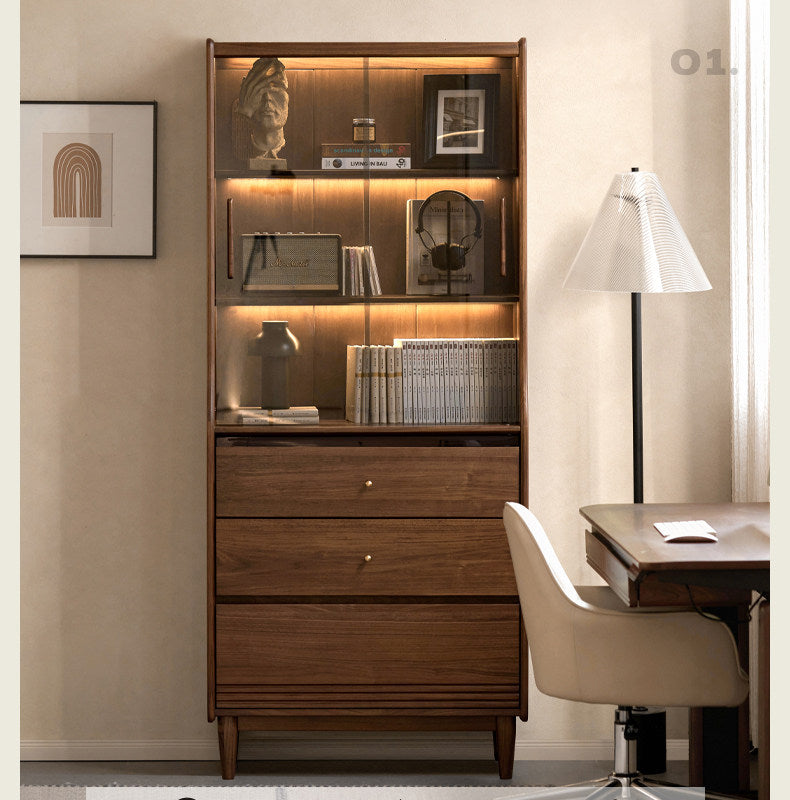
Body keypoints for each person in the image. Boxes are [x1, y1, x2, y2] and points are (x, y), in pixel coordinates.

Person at [236, 57, 289, 160]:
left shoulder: (300, 148)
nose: (267, 97)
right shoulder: (239, 148)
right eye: (259, 89)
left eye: (276, 87)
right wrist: (244, 114)